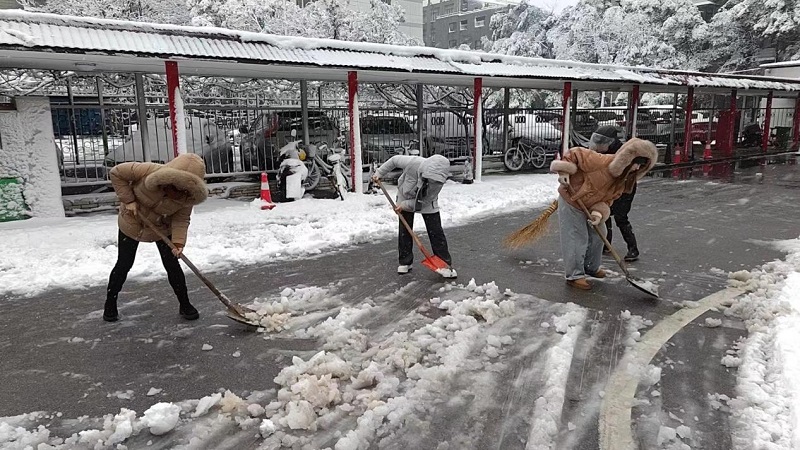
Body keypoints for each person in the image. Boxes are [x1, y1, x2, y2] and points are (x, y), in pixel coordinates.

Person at [103, 153, 208, 322]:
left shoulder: (187, 198)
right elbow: (116, 173)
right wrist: (128, 200)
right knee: (124, 263)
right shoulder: (147, 171)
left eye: (182, 190)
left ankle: (185, 304)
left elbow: (181, 220)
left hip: (161, 227)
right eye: (174, 186)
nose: (176, 193)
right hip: (132, 221)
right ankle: (110, 303)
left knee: (172, 265)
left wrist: (178, 243)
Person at [551, 138, 657, 290]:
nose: (637, 168)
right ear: (627, 158)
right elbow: (575, 153)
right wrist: (564, 171)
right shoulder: (601, 161)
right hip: (571, 200)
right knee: (577, 236)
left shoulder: (621, 182)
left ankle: (591, 267)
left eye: (641, 166)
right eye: (636, 162)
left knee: (601, 231)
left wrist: (597, 214)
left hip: (589, 205)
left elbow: (607, 200)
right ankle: (574, 275)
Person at [372, 154, 456, 278]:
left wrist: (405, 206)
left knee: (435, 231)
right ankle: (405, 261)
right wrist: (379, 173)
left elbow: (422, 202)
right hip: (404, 195)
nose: (432, 181)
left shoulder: (437, 183)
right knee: (405, 229)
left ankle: (444, 263)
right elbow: (394, 160)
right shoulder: (414, 163)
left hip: (427, 203)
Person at [588, 125, 641, 262]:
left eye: (602, 141)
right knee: (606, 214)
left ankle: (633, 249)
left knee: (620, 217)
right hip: (609, 187)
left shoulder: (624, 152)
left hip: (625, 189)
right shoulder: (603, 153)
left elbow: (640, 158)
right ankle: (606, 244)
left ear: (611, 141)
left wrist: (634, 166)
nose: (598, 145)